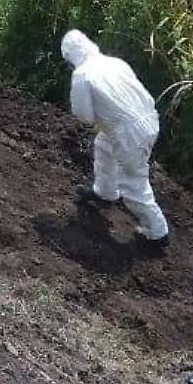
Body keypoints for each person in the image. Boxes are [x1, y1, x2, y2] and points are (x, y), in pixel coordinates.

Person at [62, 29, 170, 249]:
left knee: (133, 183)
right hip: (150, 120)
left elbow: (84, 116)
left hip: (128, 134)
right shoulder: (114, 62)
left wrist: (98, 118)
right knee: (104, 145)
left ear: (70, 56)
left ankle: (157, 233)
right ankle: (105, 192)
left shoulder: (82, 75)